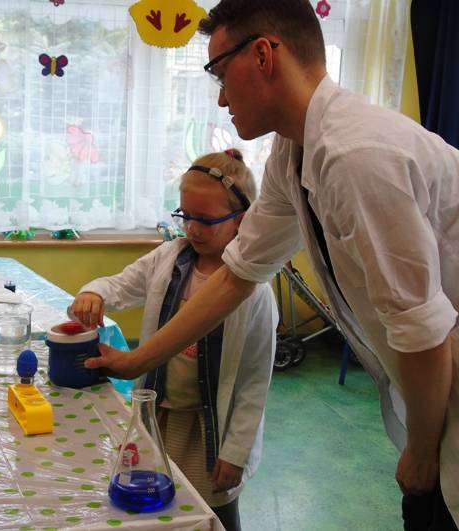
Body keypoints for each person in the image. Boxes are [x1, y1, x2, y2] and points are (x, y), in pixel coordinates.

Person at [75, 1, 459, 529]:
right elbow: (238, 273)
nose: (220, 97)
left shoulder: (355, 155)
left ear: (262, 55)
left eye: (219, 74)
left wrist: (421, 448)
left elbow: (423, 333)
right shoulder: (294, 149)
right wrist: (136, 362)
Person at [71, 149, 278, 531]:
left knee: (212, 511)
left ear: (241, 220)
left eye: (206, 220)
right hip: (158, 417)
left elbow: (254, 381)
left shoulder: (255, 293)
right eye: (185, 215)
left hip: (209, 430)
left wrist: (236, 452)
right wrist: (94, 292)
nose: (193, 229)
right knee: (156, 507)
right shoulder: (167, 258)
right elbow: (121, 284)